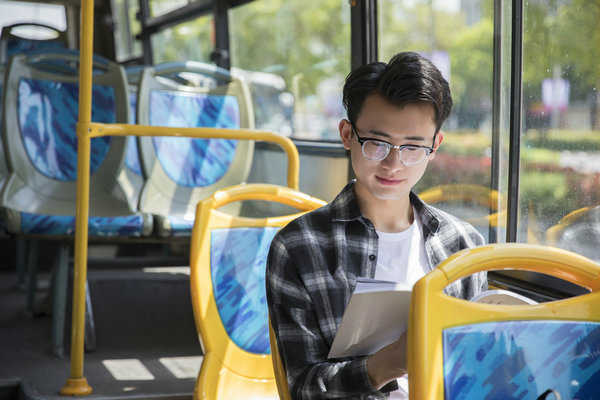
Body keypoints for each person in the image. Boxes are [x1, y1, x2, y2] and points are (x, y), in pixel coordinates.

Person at [266, 51, 488, 399]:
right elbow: (303, 388)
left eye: (413, 147)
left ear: (435, 146)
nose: (393, 164)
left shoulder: (462, 243)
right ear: (346, 134)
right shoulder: (300, 246)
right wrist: (387, 363)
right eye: (377, 143)